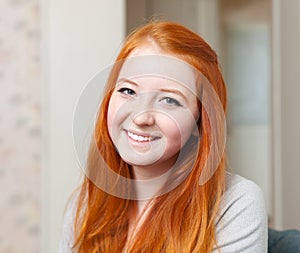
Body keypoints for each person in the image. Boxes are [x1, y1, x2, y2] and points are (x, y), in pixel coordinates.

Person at [59, 21, 267, 252]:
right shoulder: (85, 203)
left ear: (201, 122)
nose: (141, 117)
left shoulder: (236, 203)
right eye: (128, 91)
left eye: (169, 100)